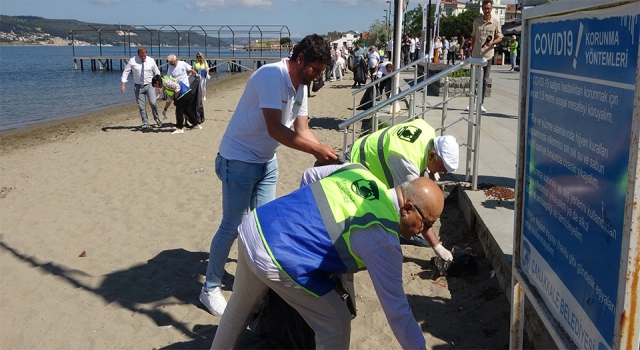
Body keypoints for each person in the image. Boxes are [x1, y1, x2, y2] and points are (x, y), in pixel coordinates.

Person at [210, 164, 450, 349]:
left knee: (239, 308)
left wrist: (305, 220)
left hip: (256, 225)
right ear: (408, 208)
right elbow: (397, 311)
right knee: (336, 322)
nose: (423, 231)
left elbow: (309, 175)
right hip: (277, 256)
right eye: (426, 223)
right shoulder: (382, 237)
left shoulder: (357, 171)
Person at [199, 33, 338, 317]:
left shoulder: (301, 86)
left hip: (266, 162)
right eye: (316, 69)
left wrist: (321, 149)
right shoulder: (271, 76)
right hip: (238, 159)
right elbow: (275, 128)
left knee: (263, 228)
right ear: (301, 59)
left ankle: (255, 282)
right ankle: (210, 288)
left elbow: (301, 129)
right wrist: (315, 149)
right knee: (233, 225)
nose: (318, 75)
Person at [302, 118, 459, 191]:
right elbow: (408, 201)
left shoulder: (427, 128)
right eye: (443, 167)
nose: (444, 172)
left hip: (363, 147)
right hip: (358, 163)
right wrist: (436, 246)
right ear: (431, 155)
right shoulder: (407, 159)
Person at [467, 0, 503, 113]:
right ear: (482, 9)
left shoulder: (495, 22)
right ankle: (471, 103)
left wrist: (493, 43)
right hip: (476, 55)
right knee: (474, 80)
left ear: (491, 8)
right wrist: (472, 49)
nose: (487, 10)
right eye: (485, 8)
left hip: (488, 55)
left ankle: (480, 103)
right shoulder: (477, 22)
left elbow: (500, 37)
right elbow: (473, 36)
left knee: (484, 81)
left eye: (489, 8)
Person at [120, 46, 162, 129]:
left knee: (153, 103)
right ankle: (146, 123)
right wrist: (123, 84)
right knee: (141, 106)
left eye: (144, 56)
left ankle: (157, 118)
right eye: (141, 56)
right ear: (138, 54)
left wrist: (159, 85)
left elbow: (157, 73)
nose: (143, 57)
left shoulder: (151, 60)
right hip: (138, 86)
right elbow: (126, 72)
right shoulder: (132, 61)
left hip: (150, 85)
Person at [161, 55, 198, 125]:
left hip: (185, 88)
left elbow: (190, 69)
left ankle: (186, 122)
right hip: (177, 88)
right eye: (170, 63)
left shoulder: (182, 63)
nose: (172, 64)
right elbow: (169, 78)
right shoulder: (170, 67)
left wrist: (195, 74)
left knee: (186, 108)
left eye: (173, 63)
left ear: (176, 60)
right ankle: (178, 123)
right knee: (178, 107)